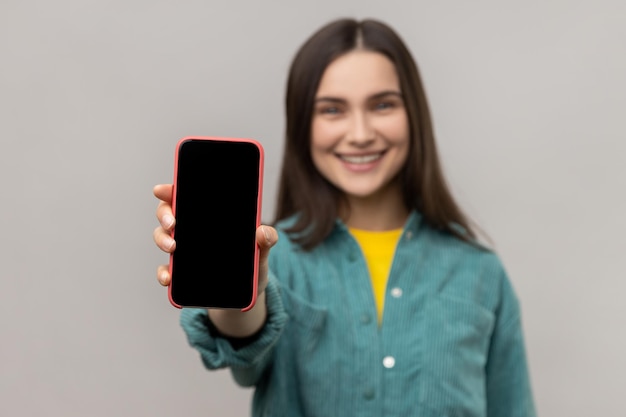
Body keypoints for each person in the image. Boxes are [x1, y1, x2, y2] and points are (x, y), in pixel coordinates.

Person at [153, 18, 536, 417]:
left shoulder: (480, 272)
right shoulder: (273, 258)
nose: (360, 133)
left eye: (382, 104)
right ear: (304, 125)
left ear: (414, 114)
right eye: (332, 110)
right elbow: (240, 353)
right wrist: (236, 283)